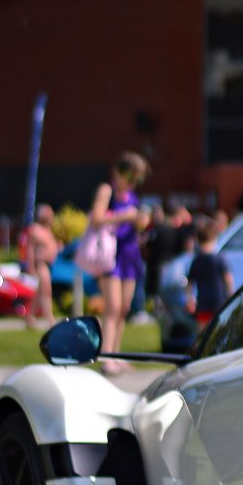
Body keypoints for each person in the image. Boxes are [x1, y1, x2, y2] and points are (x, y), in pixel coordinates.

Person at [88, 151, 149, 373]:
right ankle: (106, 357)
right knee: (112, 308)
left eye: (138, 179)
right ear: (119, 172)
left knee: (123, 308)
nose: (134, 183)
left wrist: (141, 221)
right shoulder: (107, 190)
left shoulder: (132, 197)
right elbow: (96, 218)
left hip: (130, 254)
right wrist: (126, 216)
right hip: (111, 255)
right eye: (132, 177)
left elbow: (136, 222)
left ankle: (116, 353)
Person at [186, 219, 234, 326]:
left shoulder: (196, 260)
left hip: (203, 301)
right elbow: (227, 277)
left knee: (202, 330)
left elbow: (190, 282)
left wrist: (190, 298)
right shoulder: (219, 258)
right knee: (219, 327)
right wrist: (231, 292)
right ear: (214, 239)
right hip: (219, 300)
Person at [23, 203, 61, 327]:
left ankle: (30, 317)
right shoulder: (36, 230)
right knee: (46, 290)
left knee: (39, 293)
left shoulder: (48, 230)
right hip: (40, 264)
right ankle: (50, 317)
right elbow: (30, 250)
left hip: (50, 264)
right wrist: (31, 266)